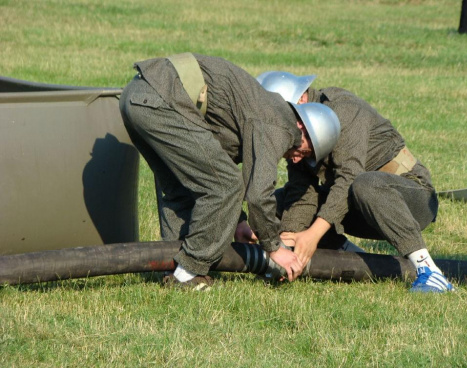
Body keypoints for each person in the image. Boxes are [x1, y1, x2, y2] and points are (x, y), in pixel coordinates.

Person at [119, 53, 336, 288]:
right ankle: (189, 272)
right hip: (160, 100)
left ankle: (171, 267)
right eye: (305, 151)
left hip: (136, 95)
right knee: (227, 186)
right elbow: (257, 195)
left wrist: (239, 222)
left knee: (181, 187)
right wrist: (274, 248)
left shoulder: (261, 109)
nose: (296, 159)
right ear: (301, 126)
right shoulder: (279, 124)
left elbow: (211, 164)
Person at [255, 71, 455, 293]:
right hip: (359, 204)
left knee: (364, 184)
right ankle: (350, 257)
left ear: (300, 100)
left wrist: (312, 235)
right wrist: (290, 244)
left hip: (409, 200)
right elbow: (301, 191)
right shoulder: (297, 131)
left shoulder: (344, 110)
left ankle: (429, 270)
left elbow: (349, 179)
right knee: (280, 200)